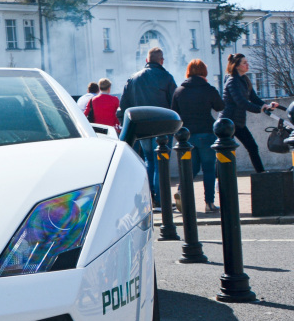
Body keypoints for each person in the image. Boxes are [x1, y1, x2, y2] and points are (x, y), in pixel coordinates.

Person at [119, 47, 178, 205]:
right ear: (161, 60)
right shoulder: (167, 77)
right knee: (161, 162)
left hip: (143, 127)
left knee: (148, 160)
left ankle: (149, 196)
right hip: (163, 127)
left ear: (146, 60)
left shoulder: (133, 78)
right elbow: (174, 103)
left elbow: (124, 106)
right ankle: (160, 198)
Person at [172, 59, 226, 212]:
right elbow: (220, 106)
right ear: (204, 72)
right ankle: (209, 203)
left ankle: (181, 192)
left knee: (191, 168)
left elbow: (174, 112)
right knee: (209, 169)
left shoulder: (179, 90)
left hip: (186, 136)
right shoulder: (208, 89)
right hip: (206, 132)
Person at [222, 53, 279, 174]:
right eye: (244, 63)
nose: (248, 65)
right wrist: (260, 109)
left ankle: (261, 173)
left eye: (247, 62)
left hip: (238, 122)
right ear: (237, 66)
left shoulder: (244, 80)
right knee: (225, 151)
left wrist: (267, 106)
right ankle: (219, 179)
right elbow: (241, 102)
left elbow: (254, 98)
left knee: (252, 147)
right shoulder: (232, 81)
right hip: (227, 123)